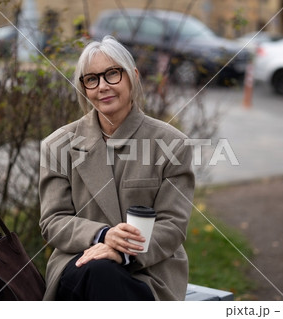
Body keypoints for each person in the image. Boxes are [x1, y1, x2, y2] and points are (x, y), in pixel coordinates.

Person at [39, 35, 195, 301]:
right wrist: (102, 236)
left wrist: (123, 251)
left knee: (105, 275)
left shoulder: (172, 144)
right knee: (99, 271)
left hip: (149, 273)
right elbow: (54, 221)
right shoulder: (58, 145)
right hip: (79, 263)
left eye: (112, 74)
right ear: (83, 88)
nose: (102, 86)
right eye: (92, 79)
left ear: (132, 76)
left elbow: (172, 224)